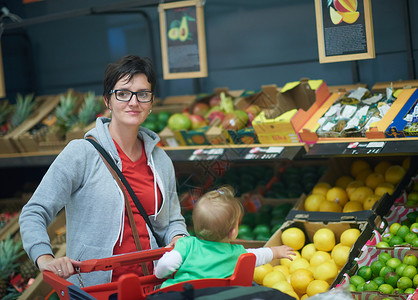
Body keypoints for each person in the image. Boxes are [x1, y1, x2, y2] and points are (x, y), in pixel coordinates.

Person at [19, 54, 189, 287]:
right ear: (107, 101)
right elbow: (34, 211)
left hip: (154, 285)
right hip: (97, 288)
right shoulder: (81, 154)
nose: (133, 102)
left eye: (143, 94)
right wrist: (44, 257)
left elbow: (172, 221)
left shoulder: (160, 160)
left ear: (151, 102)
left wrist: (179, 239)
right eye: (122, 93)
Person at [154, 185, 295, 288]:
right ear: (233, 232)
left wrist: (159, 274)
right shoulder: (236, 253)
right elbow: (257, 255)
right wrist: (276, 252)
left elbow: (166, 264)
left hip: (179, 294)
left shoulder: (187, 244)